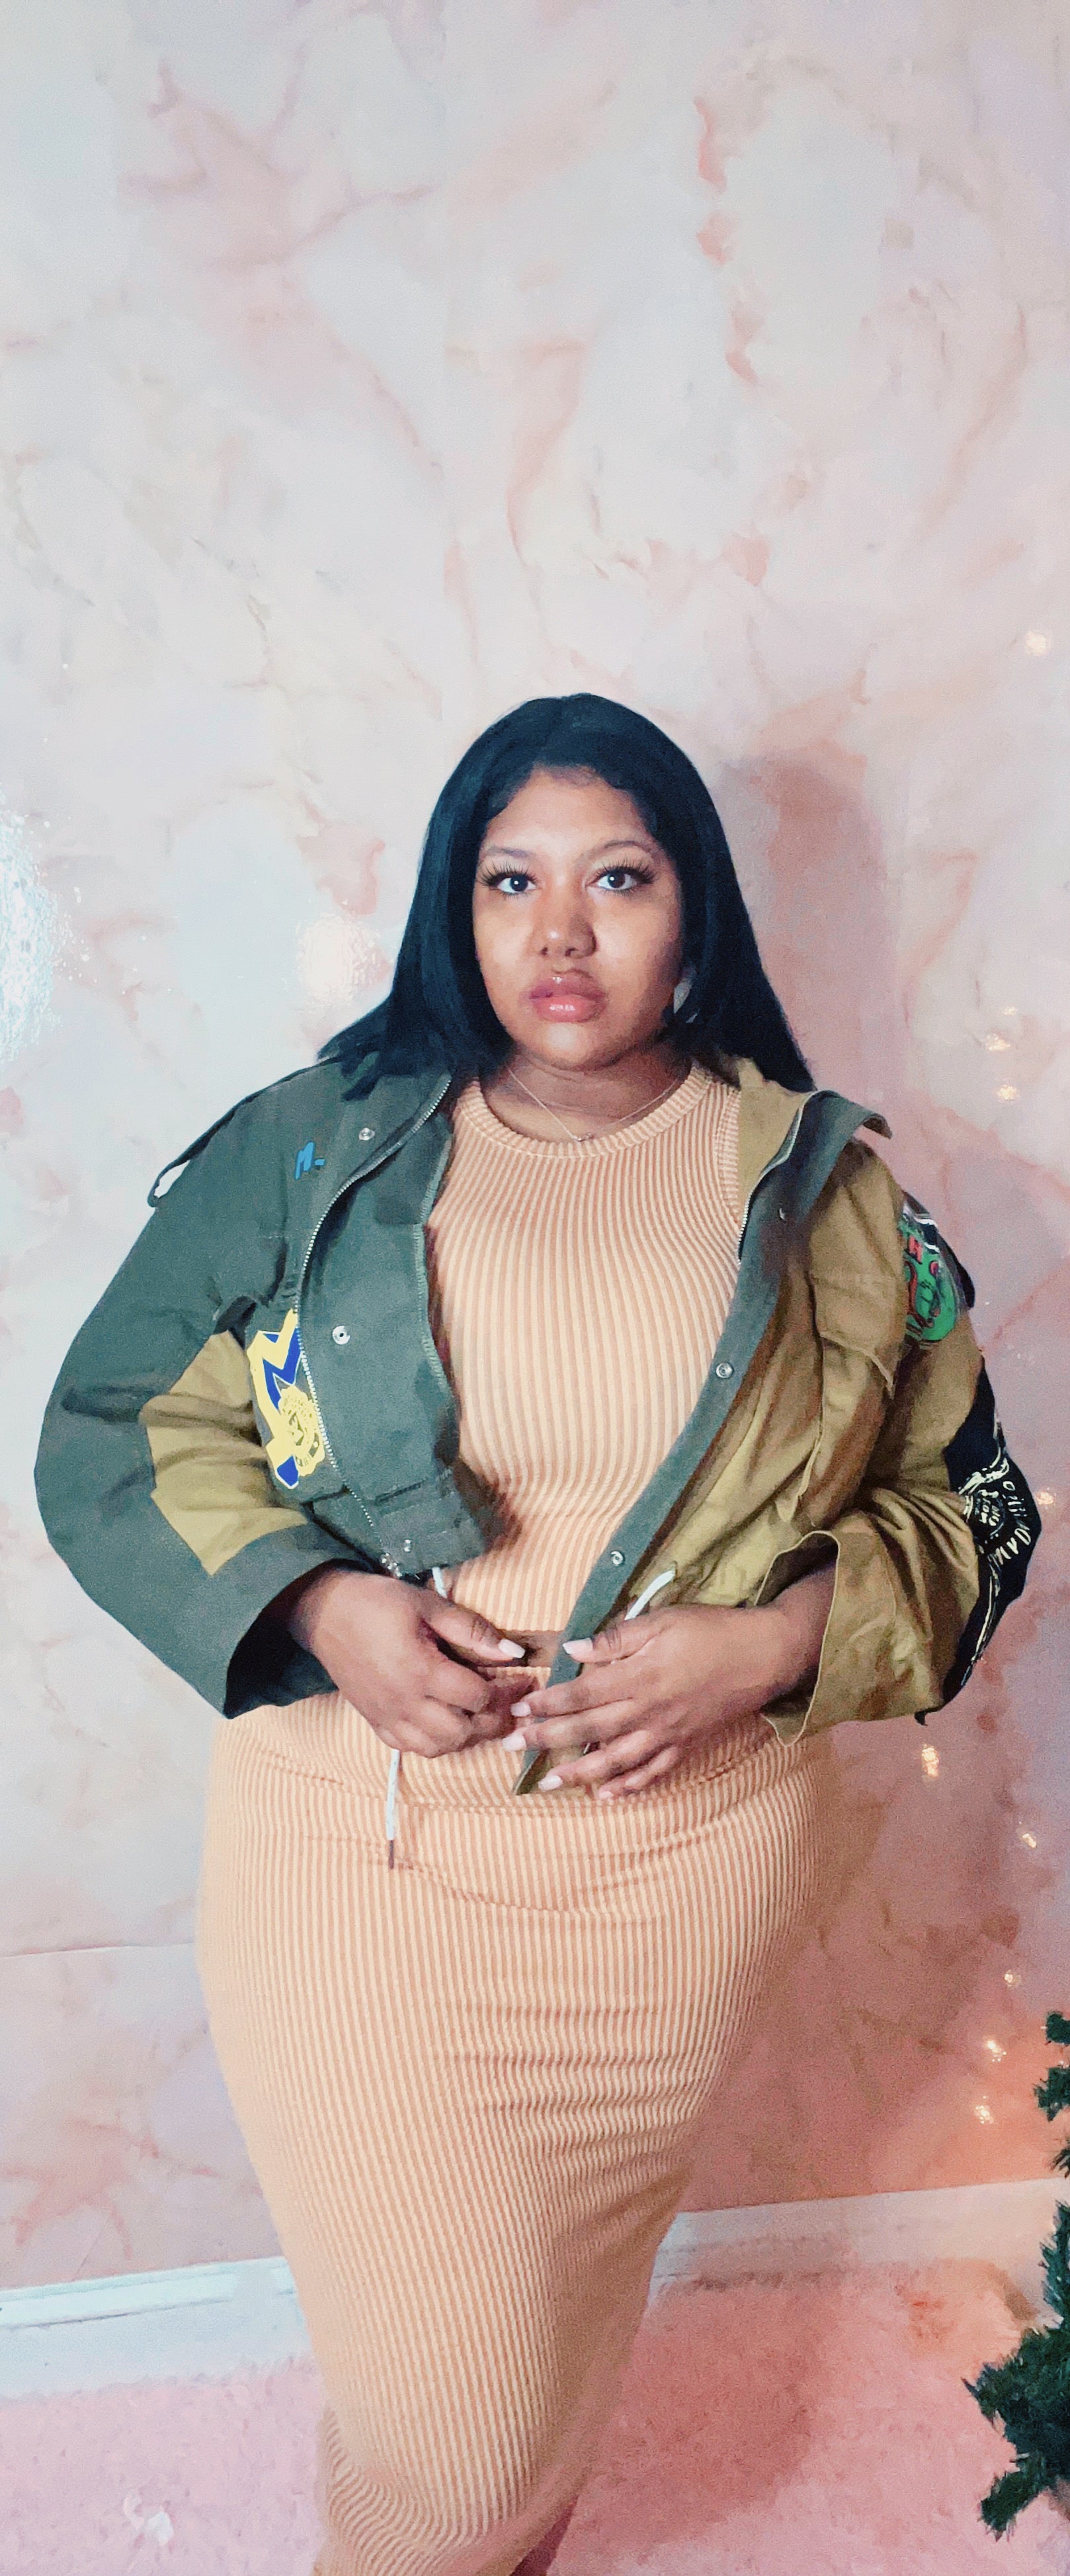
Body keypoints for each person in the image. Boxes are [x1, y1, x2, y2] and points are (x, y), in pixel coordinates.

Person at [36, 695, 1040, 2576]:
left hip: (679, 1890)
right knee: (456, 2430)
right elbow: (113, 1430)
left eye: (619, 879)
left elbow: (971, 1509)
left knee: (542, 2359)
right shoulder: (310, 1148)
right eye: (510, 881)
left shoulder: (825, 1190)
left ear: (695, 913)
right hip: (361, 1876)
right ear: (454, 904)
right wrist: (321, 1603)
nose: (559, 932)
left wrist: (772, 1646)